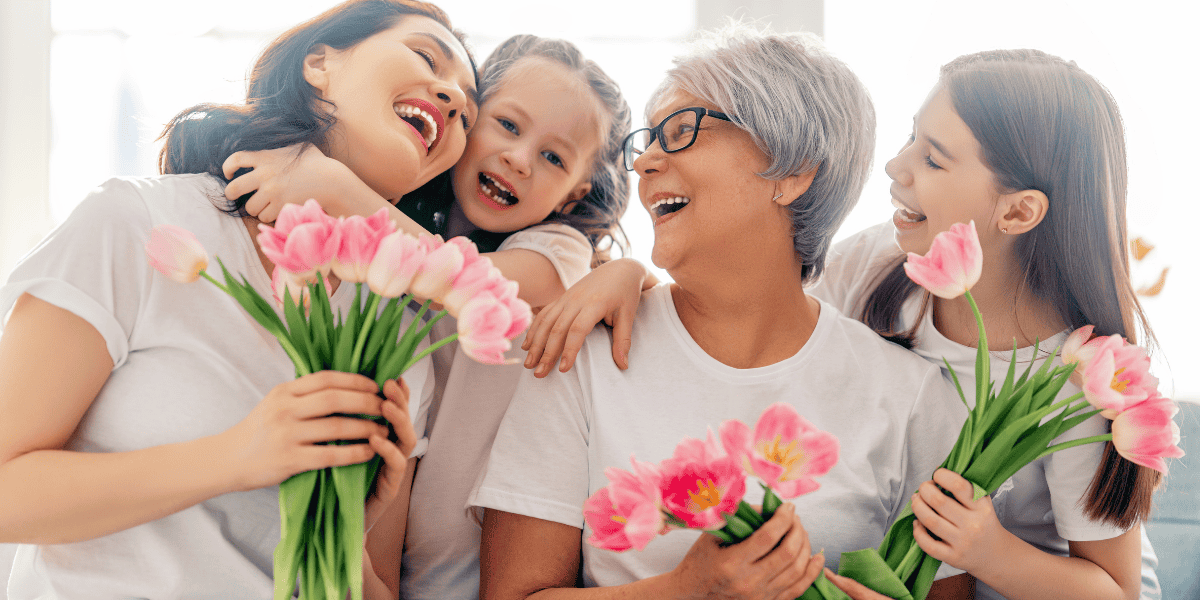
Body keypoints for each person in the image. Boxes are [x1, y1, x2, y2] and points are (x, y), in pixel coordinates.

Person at [521, 48, 1163, 600]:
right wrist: (626, 273)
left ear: (1018, 212)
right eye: (911, 136)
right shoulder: (885, 264)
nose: (895, 166)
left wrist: (986, 549)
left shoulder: (1081, 380)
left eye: (934, 159)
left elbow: (1115, 587)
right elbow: (753, 306)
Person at [468, 24, 972, 600]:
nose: (645, 163)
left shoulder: (912, 399)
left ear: (792, 172)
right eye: (648, 139)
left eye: (682, 132)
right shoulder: (583, 351)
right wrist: (685, 589)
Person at [0, 0, 477, 597]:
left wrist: (348, 530)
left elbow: (369, 587)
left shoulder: (397, 341)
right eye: (426, 56)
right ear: (319, 63)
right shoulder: (137, 222)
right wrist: (238, 456)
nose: (453, 98)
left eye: (466, 106)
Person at [218, 33, 632, 600]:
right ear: (466, 121)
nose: (519, 158)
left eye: (553, 157)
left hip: (469, 571)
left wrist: (335, 188)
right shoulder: (405, 217)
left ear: (571, 195)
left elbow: (466, 283)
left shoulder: (558, 251)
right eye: (507, 126)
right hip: (381, 544)